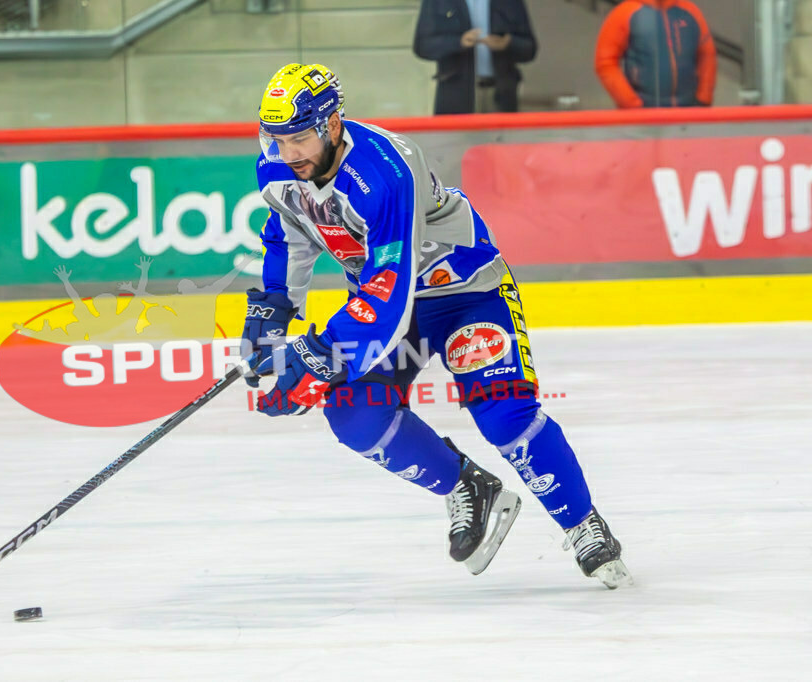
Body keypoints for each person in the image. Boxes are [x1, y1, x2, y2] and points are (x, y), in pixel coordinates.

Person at [241, 63, 632, 588]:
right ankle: (469, 486)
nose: (288, 154)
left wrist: (320, 352)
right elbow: (290, 233)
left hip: (464, 292)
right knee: (355, 414)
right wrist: (269, 313)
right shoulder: (280, 166)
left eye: (300, 139)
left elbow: (388, 286)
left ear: (332, 124)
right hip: (389, 307)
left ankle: (583, 523)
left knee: (503, 411)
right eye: (277, 139)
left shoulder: (384, 171)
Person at [414, 0, 537, 115]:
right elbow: (423, 46)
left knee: (501, 137)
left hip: (500, 95)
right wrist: (458, 42)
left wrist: (508, 43)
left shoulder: (510, 2)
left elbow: (530, 49)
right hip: (455, 96)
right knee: (456, 137)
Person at [595, 0, 717, 108]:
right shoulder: (625, 13)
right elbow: (605, 63)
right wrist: (631, 103)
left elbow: (707, 55)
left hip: (688, 114)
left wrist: (703, 99)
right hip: (642, 118)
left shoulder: (690, 11)